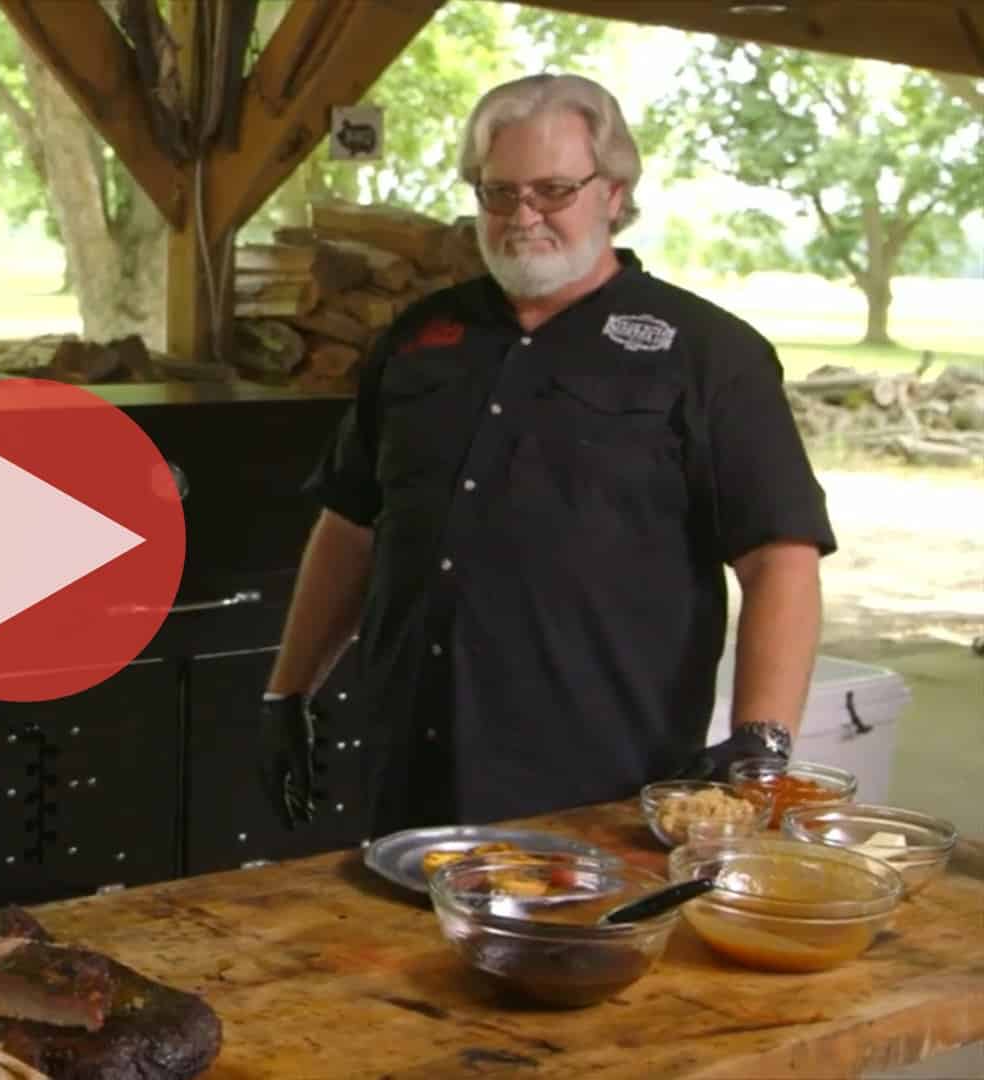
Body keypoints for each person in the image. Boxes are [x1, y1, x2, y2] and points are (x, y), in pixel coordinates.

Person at [258, 72, 835, 835]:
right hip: (405, 782)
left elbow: (780, 558)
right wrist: (288, 691)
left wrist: (762, 745)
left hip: (601, 795)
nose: (522, 217)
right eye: (498, 193)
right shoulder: (420, 340)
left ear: (616, 193)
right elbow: (352, 524)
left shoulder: (708, 355)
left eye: (553, 191)